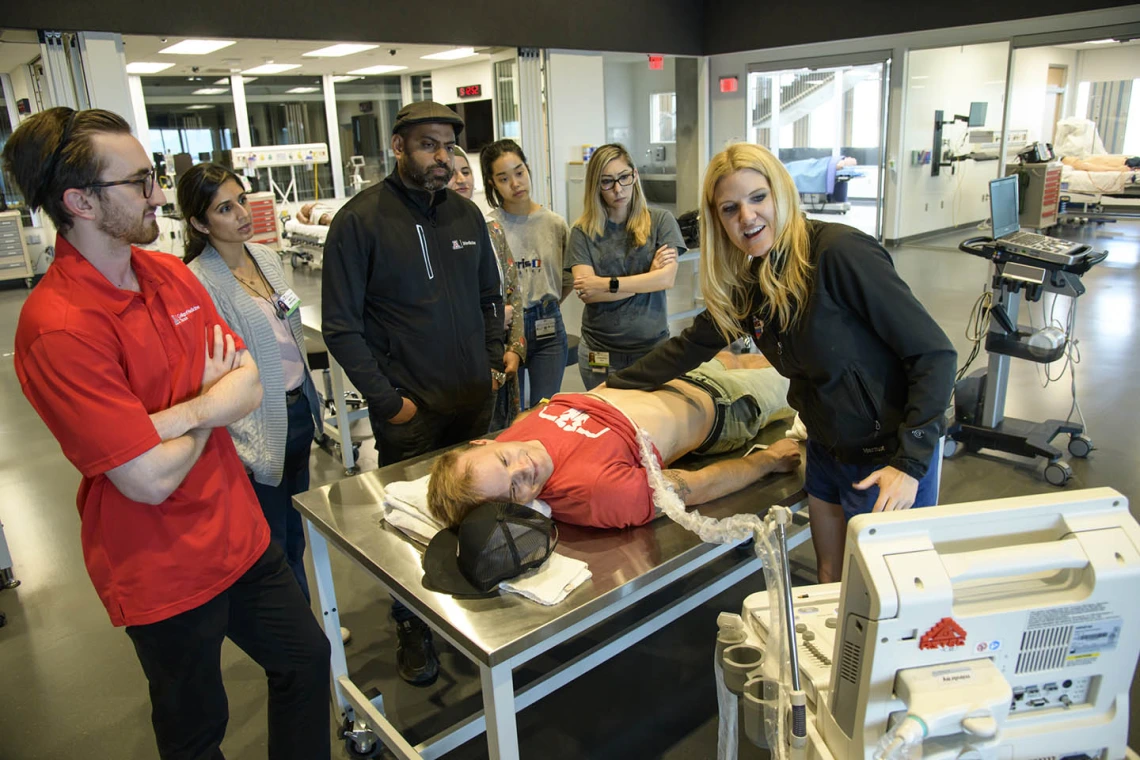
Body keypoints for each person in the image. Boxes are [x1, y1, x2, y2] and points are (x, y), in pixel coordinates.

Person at [4, 108, 330, 759]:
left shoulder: (168, 277)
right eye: (139, 181)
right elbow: (146, 479)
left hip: (240, 535)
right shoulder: (58, 327)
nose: (157, 194)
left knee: (305, 661)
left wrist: (174, 417)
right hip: (161, 569)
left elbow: (248, 381)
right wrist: (211, 404)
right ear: (80, 201)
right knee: (196, 729)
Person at [607, 143, 957, 583]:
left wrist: (910, 464)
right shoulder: (753, 280)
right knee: (831, 579)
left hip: (886, 460)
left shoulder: (839, 253)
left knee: (891, 596)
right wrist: (609, 392)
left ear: (781, 194)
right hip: (828, 451)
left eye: (758, 199)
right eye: (730, 209)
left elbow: (934, 354)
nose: (747, 218)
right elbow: (691, 346)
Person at [321, 100, 504, 686]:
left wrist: (494, 361)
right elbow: (341, 327)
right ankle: (412, 623)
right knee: (410, 522)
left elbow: (489, 298)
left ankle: (476, 612)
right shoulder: (360, 222)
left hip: (474, 399)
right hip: (410, 412)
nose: (442, 159)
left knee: (478, 505)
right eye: (429, 146)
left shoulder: (465, 217)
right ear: (397, 146)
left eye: (450, 148)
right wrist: (388, 400)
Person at [428, 352, 799, 529]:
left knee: (754, 354)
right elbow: (698, 486)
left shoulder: (513, 433)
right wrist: (767, 462)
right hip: (725, 403)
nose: (528, 467)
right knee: (805, 370)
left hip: (672, 371)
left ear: (483, 443)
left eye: (506, 461)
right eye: (515, 489)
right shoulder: (595, 493)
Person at [178, 162, 324, 604]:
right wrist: (243, 445)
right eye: (225, 208)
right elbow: (214, 375)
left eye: (241, 199)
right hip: (257, 426)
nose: (243, 212)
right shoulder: (199, 282)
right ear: (200, 223)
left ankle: (307, 626)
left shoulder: (265, 257)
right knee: (270, 542)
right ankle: (298, 645)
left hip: (299, 411)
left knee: (295, 529)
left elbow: (290, 331)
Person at [568, 143, 684, 390]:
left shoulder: (661, 221)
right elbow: (588, 294)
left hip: (652, 350)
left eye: (624, 177)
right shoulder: (582, 231)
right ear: (595, 187)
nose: (618, 189)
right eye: (607, 182)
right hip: (599, 355)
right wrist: (648, 278)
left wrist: (607, 284)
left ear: (635, 175)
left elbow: (666, 279)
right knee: (607, 425)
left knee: (651, 425)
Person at [481, 138, 571, 408]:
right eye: (504, 178)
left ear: (528, 170)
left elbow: (566, 277)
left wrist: (546, 306)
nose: (515, 183)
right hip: (506, 329)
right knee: (509, 412)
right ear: (493, 184)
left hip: (548, 325)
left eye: (519, 173)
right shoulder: (490, 227)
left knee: (545, 408)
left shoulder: (554, 223)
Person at [449, 146, 526, 429]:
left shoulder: (492, 229)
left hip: (502, 357)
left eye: (465, 171)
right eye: (451, 173)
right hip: (462, 365)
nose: (460, 180)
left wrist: (515, 348)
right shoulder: (432, 237)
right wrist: (492, 320)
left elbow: (513, 294)